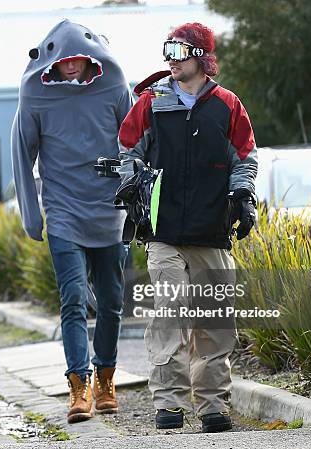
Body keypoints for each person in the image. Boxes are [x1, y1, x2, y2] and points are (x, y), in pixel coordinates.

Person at [118, 23, 257, 432]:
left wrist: (242, 196)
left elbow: (244, 157)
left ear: (201, 57)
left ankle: (213, 407)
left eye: (178, 52)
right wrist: (133, 185)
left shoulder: (228, 106)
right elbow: (126, 148)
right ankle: (170, 405)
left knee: (214, 322)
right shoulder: (150, 104)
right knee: (169, 314)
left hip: (212, 231)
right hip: (163, 233)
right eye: (168, 53)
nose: (170, 61)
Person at [11, 19, 133, 424]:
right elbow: (21, 153)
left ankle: (106, 378)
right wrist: (32, 213)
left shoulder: (114, 85)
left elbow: (135, 141)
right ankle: (78, 387)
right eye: (63, 58)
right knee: (74, 300)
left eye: (78, 57)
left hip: (109, 208)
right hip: (62, 209)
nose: (71, 64)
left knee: (113, 303)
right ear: (52, 59)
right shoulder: (34, 92)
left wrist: (137, 200)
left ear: (91, 56)